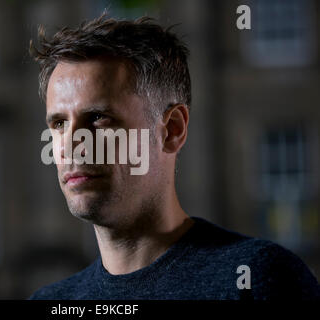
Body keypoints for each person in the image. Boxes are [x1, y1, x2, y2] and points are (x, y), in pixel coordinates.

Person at [28, 14, 320, 300]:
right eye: (58, 124)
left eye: (98, 118)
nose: (70, 144)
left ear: (171, 130)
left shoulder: (258, 280)